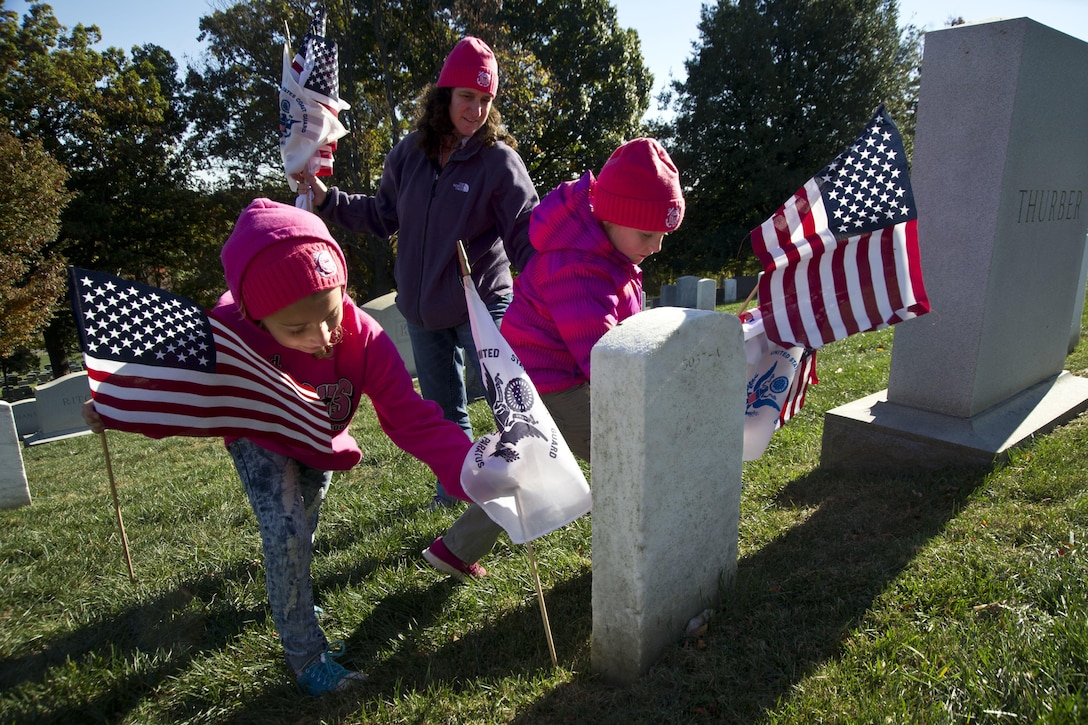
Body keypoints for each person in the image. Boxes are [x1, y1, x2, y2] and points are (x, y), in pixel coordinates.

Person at [82, 199, 479, 696]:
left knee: (306, 520)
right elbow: (174, 384)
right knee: (287, 528)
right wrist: (117, 406)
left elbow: (411, 417)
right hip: (260, 436)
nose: (320, 338)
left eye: (331, 315)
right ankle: (306, 654)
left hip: (320, 437)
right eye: (296, 329)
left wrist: (468, 468)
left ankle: (294, 589)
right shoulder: (226, 332)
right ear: (256, 318)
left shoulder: (364, 337)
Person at [421, 137, 686, 580]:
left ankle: (453, 550)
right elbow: (604, 359)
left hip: (550, 377)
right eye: (648, 234)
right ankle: (632, 549)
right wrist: (651, 392)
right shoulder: (578, 268)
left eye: (662, 235)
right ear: (613, 216)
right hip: (552, 383)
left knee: (523, 466)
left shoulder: (610, 251)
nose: (656, 246)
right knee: (626, 452)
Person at [296, 36, 538, 509]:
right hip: (423, 312)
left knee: (510, 402)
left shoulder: (498, 161)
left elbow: (528, 238)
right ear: (444, 96)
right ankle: (459, 490)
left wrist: (554, 286)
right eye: (468, 97)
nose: (477, 110)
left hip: (481, 305)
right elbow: (384, 214)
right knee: (446, 413)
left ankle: (532, 483)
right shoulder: (408, 154)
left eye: (486, 100)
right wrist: (327, 200)